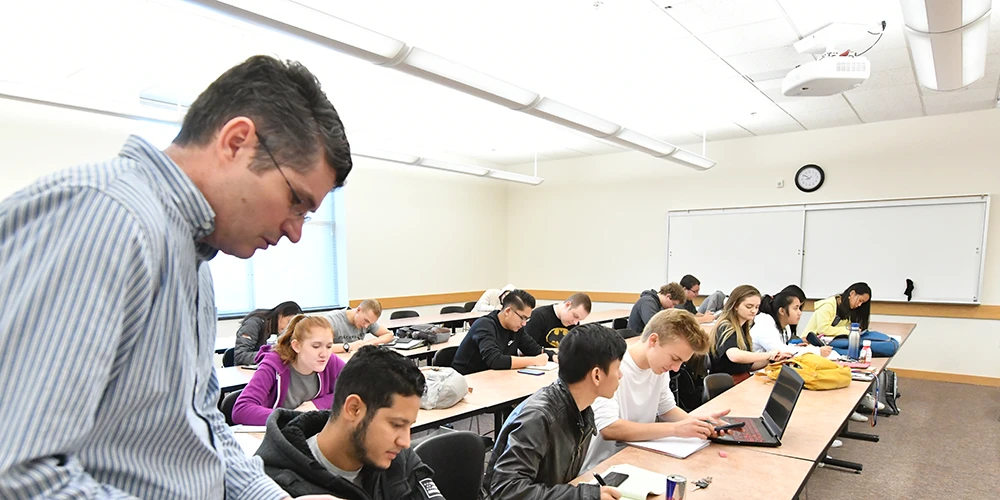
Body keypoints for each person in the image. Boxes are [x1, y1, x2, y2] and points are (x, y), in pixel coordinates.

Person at [0, 55, 352, 499]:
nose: (297, 232)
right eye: (296, 201)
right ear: (237, 141)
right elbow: (18, 476)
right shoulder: (106, 218)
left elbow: (202, 427)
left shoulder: (194, 263)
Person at [256, 346, 444, 500]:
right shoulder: (272, 487)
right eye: (396, 424)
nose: (405, 441)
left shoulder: (397, 457)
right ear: (353, 409)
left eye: (409, 426)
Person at [484, 324, 626, 500]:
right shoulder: (538, 418)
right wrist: (583, 496)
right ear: (596, 375)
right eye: (617, 368)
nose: (620, 375)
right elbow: (507, 490)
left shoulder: (581, 408)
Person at [581, 309, 730, 472]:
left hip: (638, 457)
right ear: (653, 340)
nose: (675, 368)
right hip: (602, 468)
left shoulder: (659, 368)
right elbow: (609, 428)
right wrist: (675, 429)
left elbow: (667, 410)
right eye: (675, 358)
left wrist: (697, 425)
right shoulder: (612, 366)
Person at [232, 315, 346, 425]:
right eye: (316, 346)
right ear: (296, 346)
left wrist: (317, 404)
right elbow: (241, 410)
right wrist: (293, 417)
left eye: (329, 346)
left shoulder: (330, 361)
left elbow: (356, 390)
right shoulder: (273, 365)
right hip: (278, 436)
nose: (324, 354)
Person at [452, 289, 554, 375]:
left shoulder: (516, 327)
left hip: (495, 377)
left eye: (526, 319)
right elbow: (495, 360)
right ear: (508, 311)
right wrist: (534, 361)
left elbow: (533, 349)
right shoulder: (484, 325)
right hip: (468, 380)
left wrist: (553, 356)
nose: (524, 324)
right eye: (522, 318)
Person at [708, 285, 793, 384]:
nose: (754, 311)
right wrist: (769, 355)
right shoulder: (726, 326)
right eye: (749, 306)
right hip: (727, 384)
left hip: (740, 380)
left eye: (757, 307)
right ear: (735, 305)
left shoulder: (743, 329)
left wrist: (773, 360)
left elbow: (749, 366)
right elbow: (735, 356)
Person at [751, 286, 833, 357]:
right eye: (795, 308)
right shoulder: (765, 324)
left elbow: (783, 347)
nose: (800, 313)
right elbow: (780, 351)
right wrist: (817, 351)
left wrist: (795, 347)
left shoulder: (785, 328)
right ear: (782, 311)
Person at [235, 301, 303, 366]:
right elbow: (240, 355)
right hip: (245, 371)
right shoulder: (253, 323)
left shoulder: (278, 330)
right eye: (288, 322)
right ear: (280, 315)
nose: (288, 327)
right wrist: (273, 356)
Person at [801, 282, 872, 339]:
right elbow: (823, 329)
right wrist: (848, 330)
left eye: (862, 303)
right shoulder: (828, 305)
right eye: (860, 300)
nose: (859, 305)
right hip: (808, 343)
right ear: (852, 293)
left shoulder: (851, 311)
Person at [320, 299, 393, 353]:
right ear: (358, 310)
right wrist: (350, 346)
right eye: (366, 321)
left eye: (370, 323)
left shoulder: (368, 320)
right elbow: (322, 347)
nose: (366, 326)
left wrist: (371, 343)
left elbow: (389, 335)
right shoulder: (332, 320)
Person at [524, 292, 592, 348]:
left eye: (579, 319)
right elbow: (525, 348)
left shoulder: (574, 323)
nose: (575, 322)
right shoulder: (538, 317)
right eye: (575, 316)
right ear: (567, 305)